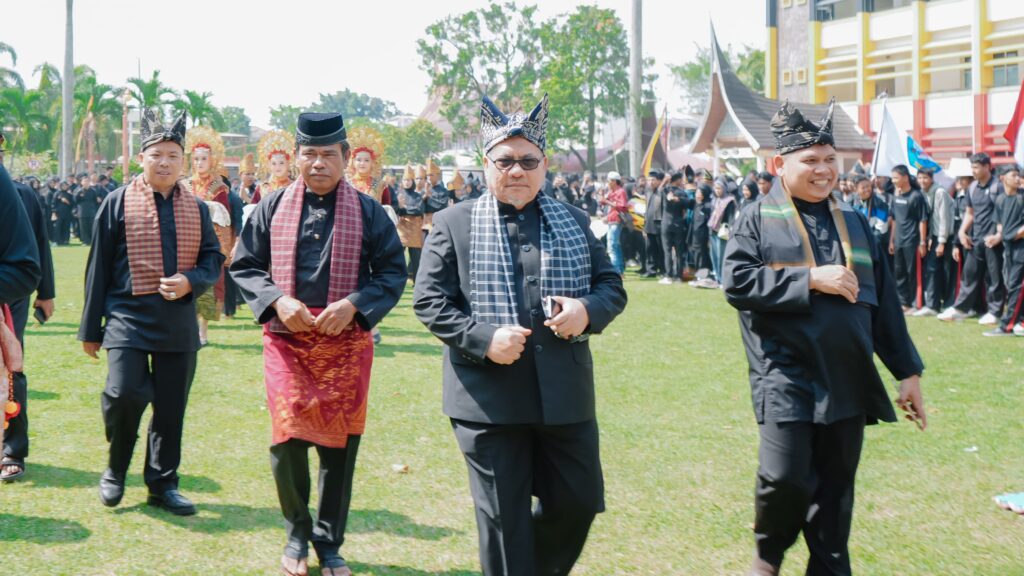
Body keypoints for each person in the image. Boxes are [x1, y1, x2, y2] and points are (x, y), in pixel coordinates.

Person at [413, 93, 627, 576]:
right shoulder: (453, 223)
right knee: (504, 523)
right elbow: (429, 301)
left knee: (578, 502)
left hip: (565, 395)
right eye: (505, 161)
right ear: (486, 164)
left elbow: (611, 286)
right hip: (488, 399)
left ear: (544, 165)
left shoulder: (574, 220)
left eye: (528, 161)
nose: (517, 171)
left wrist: (586, 310)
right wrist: (481, 338)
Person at [722, 101, 926, 576]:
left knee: (835, 496)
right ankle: (768, 556)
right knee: (783, 478)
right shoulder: (756, 218)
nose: (823, 170)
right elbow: (737, 283)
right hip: (784, 374)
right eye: (810, 160)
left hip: (846, 377)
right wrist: (810, 279)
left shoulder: (854, 222)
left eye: (830, 159)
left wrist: (908, 371)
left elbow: (884, 304)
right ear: (780, 164)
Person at [230, 111, 406, 576]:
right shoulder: (271, 206)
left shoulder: (369, 211)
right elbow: (245, 265)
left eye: (329, 154)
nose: (318, 163)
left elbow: (392, 272)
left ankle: (329, 544)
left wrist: (354, 304)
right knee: (287, 439)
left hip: (346, 343)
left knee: (339, 447)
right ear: (296, 157)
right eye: (309, 154)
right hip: (286, 341)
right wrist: (276, 300)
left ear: (346, 157)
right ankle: (297, 532)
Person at [78, 109, 224, 515]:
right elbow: (98, 268)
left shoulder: (196, 207)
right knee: (125, 393)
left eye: (173, 155)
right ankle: (115, 469)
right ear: (141, 158)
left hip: (177, 320)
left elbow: (213, 258)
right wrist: (90, 330)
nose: (165, 162)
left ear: (182, 161)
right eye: (157, 154)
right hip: (127, 316)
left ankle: (162, 484)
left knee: (171, 406)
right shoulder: (116, 202)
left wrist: (190, 281)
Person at [0, 133, 56, 483]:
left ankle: (13, 449)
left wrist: (46, 293)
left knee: (11, 369)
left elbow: (39, 247)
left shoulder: (21, 193)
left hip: (11, 295)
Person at [937, 153, 1006, 324]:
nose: (973, 171)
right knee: (969, 274)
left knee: (994, 278)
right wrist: (962, 232)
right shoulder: (973, 187)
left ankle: (995, 312)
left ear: (987, 167)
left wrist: (999, 235)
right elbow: (970, 213)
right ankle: (961, 308)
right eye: (972, 167)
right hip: (975, 239)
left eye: (976, 167)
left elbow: (1005, 214)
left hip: (994, 241)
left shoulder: (998, 187)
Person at [185, 126, 233, 345]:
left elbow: (225, 217)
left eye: (204, 158)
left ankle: (203, 332)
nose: (199, 163)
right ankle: (189, 328)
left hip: (209, 243)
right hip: (187, 243)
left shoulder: (219, 187)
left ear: (212, 160)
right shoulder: (184, 185)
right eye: (196, 159)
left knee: (207, 286)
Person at [984, 164, 1024, 336]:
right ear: (1003, 178)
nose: (1017, 178)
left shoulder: (1022, 197)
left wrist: (1013, 234)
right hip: (1008, 248)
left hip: (1021, 247)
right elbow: (1000, 223)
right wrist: (998, 236)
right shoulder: (1000, 199)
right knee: (1011, 283)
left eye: (1018, 175)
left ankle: (1007, 325)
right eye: (1013, 175)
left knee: (1016, 285)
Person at [915, 168, 956, 317]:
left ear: (932, 179)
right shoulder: (923, 193)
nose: (922, 181)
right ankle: (934, 304)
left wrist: (941, 242)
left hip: (946, 236)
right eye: (920, 178)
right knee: (933, 269)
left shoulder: (940, 192)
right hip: (936, 236)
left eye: (925, 178)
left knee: (945, 270)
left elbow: (944, 218)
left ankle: (945, 304)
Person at [888, 165, 929, 313]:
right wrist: (891, 240)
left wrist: (922, 242)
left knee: (914, 273)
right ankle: (904, 303)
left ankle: (916, 303)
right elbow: (894, 220)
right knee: (899, 273)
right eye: (892, 178)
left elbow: (923, 220)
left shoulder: (916, 196)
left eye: (896, 178)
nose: (893, 181)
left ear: (905, 178)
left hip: (912, 242)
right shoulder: (896, 196)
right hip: (898, 241)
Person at [659, 171, 692, 284]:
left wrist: (665, 181)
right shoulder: (681, 192)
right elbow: (689, 205)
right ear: (677, 180)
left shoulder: (665, 191)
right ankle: (678, 276)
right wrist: (679, 200)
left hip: (666, 224)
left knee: (667, 251)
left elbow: (658, 191)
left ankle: (668, 275)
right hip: (679, 224)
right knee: (679, 252)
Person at [396, 164, 426, 284]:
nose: (407, 182)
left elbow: (419, 210)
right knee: (397, 256)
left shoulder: (417, 195)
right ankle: (396, 279)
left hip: (414, 229)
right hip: (402, 229)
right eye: (405, 180)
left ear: (412, 181)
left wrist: (404, 208)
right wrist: (401, 207)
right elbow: (396, 210)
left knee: (415, 258)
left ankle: (417, 282)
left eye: (409, 180)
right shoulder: (399, 195)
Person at [254, 129, 297, 205]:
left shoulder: (295, 187)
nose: (278, 167)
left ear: (288, 164)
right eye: (274, 163)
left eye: (281, 163)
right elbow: (254, 208)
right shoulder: (262, 188)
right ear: (269, 165)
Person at [708, 178, 737, 287]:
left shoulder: (729, 201)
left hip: (723, 231)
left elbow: (731, 217)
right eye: (716, 188)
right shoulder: (714, 200)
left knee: (721, 255)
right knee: (714, 255)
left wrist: (729, 229)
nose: (717, 190)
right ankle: (717, 277)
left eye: (719, 188)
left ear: (724, 188)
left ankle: (722, 279)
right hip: (713, 230)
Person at [600, 171, 628, 275]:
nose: (607, 183)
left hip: (616, 221)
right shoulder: (611, 192)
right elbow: (603, 202)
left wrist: (607, 201)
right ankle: (619, 270)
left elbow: (623, 206)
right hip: (611, 220)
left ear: (614, 181)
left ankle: (616, 271)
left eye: (609, 181)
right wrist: (603, 196)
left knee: (612, 246)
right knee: (615, 246)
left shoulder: (621, 191)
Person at [642, 170, 665, 278]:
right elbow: (647, 209)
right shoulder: (648, 192)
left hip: (660, 224)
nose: (651, 182)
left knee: (661, 249)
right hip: (649, 225)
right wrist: (644, 226)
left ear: (659, 181)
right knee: (650, 249)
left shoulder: (662, 192)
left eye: (653, 180)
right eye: (649, 180)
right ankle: (651, 270)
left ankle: (663, 270)